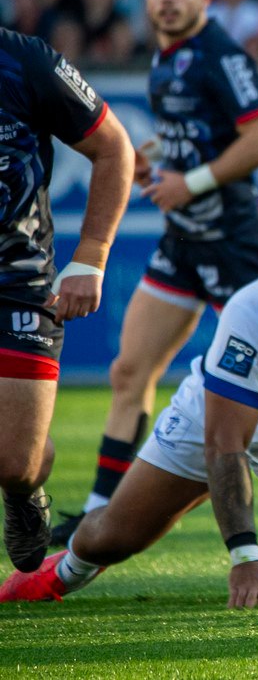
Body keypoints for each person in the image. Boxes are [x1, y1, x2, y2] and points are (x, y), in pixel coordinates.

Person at [0, 222, 258, 606]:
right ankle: (62, 570)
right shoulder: (255, 311)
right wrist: (244, 558)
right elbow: (224, 443)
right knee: (112, 538)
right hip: (214, 424)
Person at [53, 0, 258, 545]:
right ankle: (99, 511)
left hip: (233, 243)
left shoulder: (221, 55)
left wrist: (192, 182)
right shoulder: (164, 57)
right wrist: (156, 163)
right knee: (130, 370)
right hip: (183, 243)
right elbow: (195, 138)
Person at [0, 28, 134, 573]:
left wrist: (92, 256)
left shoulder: (24, 60)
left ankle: (24, 486)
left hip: (19, 282)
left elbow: (114, 147)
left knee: (14, 460)